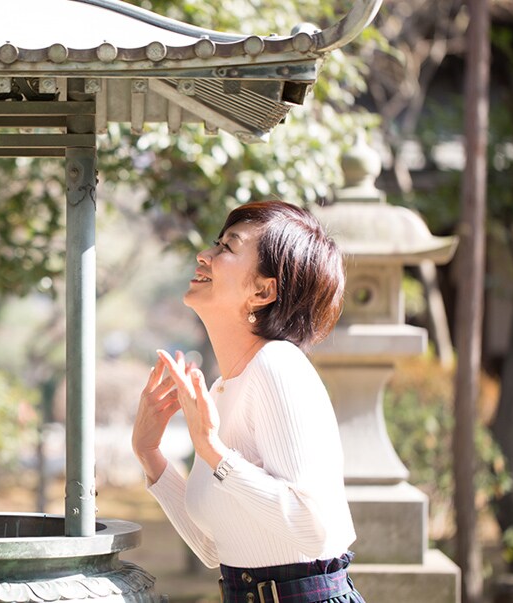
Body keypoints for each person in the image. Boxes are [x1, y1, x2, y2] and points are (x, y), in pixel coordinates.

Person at [132, 200, 364, 603]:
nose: (204, 255)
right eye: (216, 243)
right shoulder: (227, 387)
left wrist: (214, 452)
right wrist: (148, 452)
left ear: (263, 290)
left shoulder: (278, 366)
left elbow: (315, 530)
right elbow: (214, 549)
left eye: (227, 247)